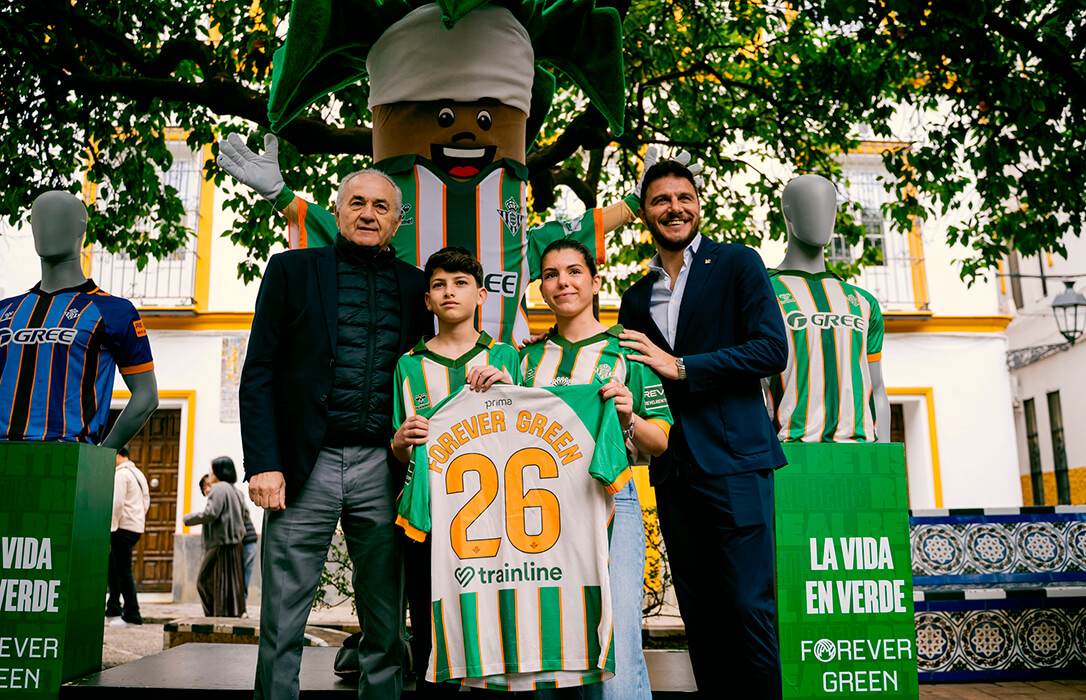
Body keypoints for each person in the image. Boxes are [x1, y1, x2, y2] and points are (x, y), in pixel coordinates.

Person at [239, 169, 432, 700]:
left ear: (398, 220)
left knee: (387, 624)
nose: (368, 214)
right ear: (339, 209)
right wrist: (263, 463)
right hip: (304, 466)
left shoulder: (418, 286)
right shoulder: (291, 270)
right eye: (357, 203)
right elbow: (259, 373)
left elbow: (442, 359)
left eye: (380, 207)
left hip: (386, 467)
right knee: (282, 617)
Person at [617, 159, 789, 697]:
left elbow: (770, 349)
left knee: (748, 606)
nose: (674, 208)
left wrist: (683, 366)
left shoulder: (738, 263)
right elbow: (622, 372)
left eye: (684, 197)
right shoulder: (635, 296)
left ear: (699, 204)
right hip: (672, 470)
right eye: (661, 199)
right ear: (644, 211)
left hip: (737, 462)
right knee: (700, 612)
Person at [520, 239, 673, 700]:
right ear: (541, 289)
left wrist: (630, 418)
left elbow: (661, 442)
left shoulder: (628, 350)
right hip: (538, 512)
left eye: (573, 271)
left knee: (617, 639)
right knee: (548, 643)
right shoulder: (525, 361)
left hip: (611, 501)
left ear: (594, 280)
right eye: (550, 274)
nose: (562, 282)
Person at [389, 246, 520, 697]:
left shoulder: (506, 357)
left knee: (493, 634)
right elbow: (399, 451)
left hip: (494, 519)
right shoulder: (408, 364)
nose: (450, 292)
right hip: (427, 520)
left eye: (461, 283)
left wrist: (510, 388)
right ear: (427, 300)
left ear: (481, 295)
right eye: (439, 285)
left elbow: (528, 431)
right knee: (429, 635)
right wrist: (401, 442)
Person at [0, 191, 157, 447]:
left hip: (66, 459)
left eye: (58, 219)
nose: (47, 228)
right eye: (39, 221)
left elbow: (146, 396)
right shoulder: (5, 311)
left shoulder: (114, 311)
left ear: (80, 228)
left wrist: (101, 457)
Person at [766, 173, 890, 443]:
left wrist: (885, 452)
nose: (822, 216)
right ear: (788, 212)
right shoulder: (763, 293)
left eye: (829, 208)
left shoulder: (863, 303)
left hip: (862, 455)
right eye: (810, 205)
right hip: (791, 452)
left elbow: (877, 388)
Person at [183, 457, 247, 617]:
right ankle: (228, 615)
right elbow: (245, 514)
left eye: (212, 470)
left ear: (219, 471)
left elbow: (211, 513)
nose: (210, 474)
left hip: (219, 543)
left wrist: (188, 519)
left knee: (204, 581)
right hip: (234, 544)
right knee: (229, 584)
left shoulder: (218, 489)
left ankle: (213, 616)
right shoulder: (235, 490)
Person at [106, 444, 150, 627]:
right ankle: (113, 608)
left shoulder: (121, 474)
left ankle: (132, 614)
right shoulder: (138, 473)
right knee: (112, 567)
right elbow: (146, 500)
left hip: (122, 527)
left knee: (123, 571)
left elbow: (116, 503)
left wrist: (111, 526)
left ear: (117, 455)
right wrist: (138, 518)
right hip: (135, 526)